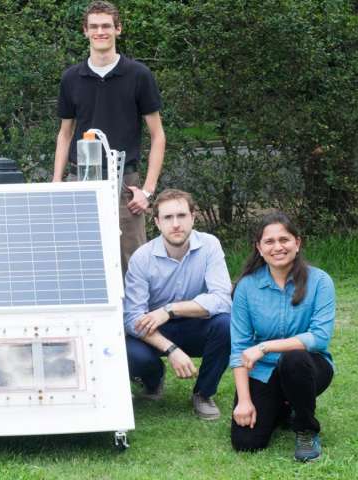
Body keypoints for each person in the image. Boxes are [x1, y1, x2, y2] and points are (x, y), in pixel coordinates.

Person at [53, 0, 166, 272]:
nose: (100, 31)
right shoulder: (71, 78)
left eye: (106, 26)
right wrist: (56, 184)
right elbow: (64, 134)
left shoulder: (139, 75)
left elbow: (158, 136)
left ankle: (135, 316)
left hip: (125, 184)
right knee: (78, 261)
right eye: (94, 26)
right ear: (85, 31)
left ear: (118, 30)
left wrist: (147, 192)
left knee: (133, 264)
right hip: (79, 181)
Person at [230, 212, 335, 462]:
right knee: (246, 443)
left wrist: (265, 347)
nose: (278, 247)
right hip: (263, 371)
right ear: (259, 247)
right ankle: (284, 407)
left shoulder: (320, 281)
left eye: (284, 239)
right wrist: (244, 401)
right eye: (269, 241)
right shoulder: (246, 287)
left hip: (308, 366)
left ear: (297, 243)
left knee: (293, 359)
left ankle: (305, 429)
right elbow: (240, 347)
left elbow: (319, 338)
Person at [123, 189, 231, 420]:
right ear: (157, 222)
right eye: (167, 218)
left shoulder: (210, 245)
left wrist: (169, 310)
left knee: (227, 325)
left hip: (196, 324)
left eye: (181, 216)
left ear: (193, 217)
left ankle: (203, 393)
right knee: (129, 350)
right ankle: (152, 381)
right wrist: (171, 350)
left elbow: (222, 299)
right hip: (155, 331)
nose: (175, 224)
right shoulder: (142, 258)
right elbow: (132, 319)